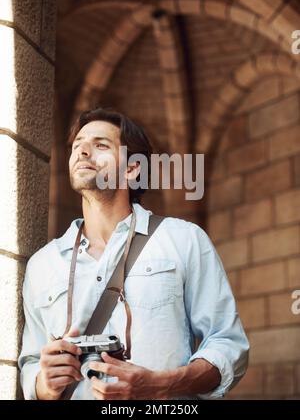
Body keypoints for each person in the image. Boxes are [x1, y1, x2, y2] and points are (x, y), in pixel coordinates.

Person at [18, 107, 249, 400]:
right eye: (78, 145)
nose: (83, 151)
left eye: (100, 145)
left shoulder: (184, 240)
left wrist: (163, 385)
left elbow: (228, 344)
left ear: (132, 168)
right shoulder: (41, 265)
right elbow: (30, 366)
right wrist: (44, 385)